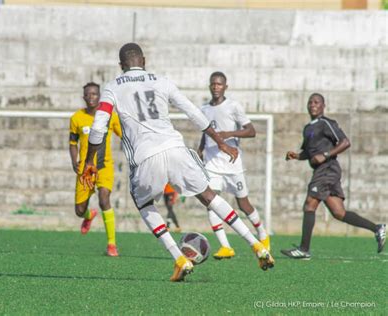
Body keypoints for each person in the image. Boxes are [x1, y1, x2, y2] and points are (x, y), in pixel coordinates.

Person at [80, 43, 274, 282]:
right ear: (144, 60)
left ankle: (179, 258)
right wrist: (221, 143)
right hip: (175, 149)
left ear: (121, 65)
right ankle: (258, 246)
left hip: (145, 157)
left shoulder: (111, 88)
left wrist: (90, 160)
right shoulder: (162, 81)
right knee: (209, 196)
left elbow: (98, 129)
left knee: (144, 204)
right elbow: (194, 112)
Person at [281, 93, 386, 259]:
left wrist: (326, 154)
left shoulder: (326, 123)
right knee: (339, 213)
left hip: (328, 169)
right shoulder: (308, 128)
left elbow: (345, 142)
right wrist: (296, 156)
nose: (313, 105)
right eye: (310, 102)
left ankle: (304, 249)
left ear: (323, 106)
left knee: (309, 204)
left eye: (317, 102)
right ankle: (378, 228)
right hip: (321, 170)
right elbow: (309, 153)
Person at [198, 72, 270, 261]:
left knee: (243, 204)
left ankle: (262, 234)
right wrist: (199, 150)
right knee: (211, 203)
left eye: (219, 84)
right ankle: (225, 246)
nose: (216, 87)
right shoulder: (204, 109)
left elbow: (251, 131)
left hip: (231, 163)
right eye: (213, 84)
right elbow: (205, 133)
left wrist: (228, 133)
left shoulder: (233, 106)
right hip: (212, 163)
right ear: (209, 86)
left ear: (225, 87)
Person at [69, 82, 122, 257]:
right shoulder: (77, 118)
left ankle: (112, 244)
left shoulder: (109, 116)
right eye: (88, 95)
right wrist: (74, 160)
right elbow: (72, 142)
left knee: (104, 198)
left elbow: (124, 135)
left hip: (104, 166)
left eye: (94, 94)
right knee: (78, 210)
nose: (91, 97)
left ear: (99, 96)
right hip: (85, 169)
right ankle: (88, 216)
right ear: (84, 97)